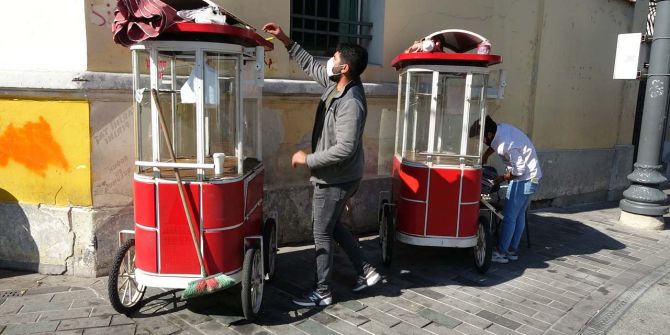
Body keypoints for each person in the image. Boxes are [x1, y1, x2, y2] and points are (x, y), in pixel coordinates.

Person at [262, 22, 381, 307]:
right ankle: (366, 270)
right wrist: (285, 40)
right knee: (330, 225)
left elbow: (345, 148)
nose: (331, 60)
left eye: (336, 58)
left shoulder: (351, 101)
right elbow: (311, 66)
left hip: (336, 178)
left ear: (344, 69)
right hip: (337, 176)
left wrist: (308, 159)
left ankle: (323, 291)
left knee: (321, 230)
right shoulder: (336, 84)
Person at [470, 115, 542, 264]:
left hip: (525, 179)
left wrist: (501, 178)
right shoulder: (501, 129)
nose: (482, 141)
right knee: (519, 215)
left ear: (488, 134)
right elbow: (494, 145)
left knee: (509, 217)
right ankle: (512, 250)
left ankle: (502, 252)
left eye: (481, 138)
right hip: (534, 177)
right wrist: (485, 155)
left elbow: (519, 170)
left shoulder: (506, 145)